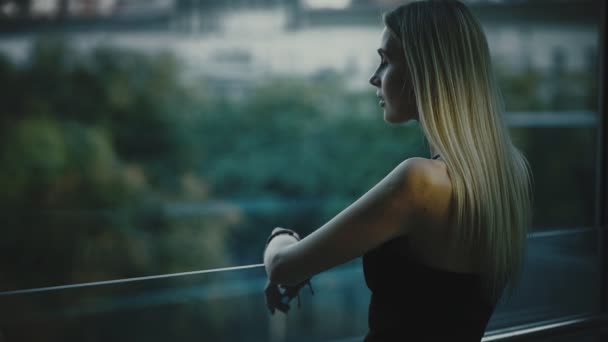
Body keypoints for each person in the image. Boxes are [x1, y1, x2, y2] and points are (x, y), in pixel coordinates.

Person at [263, 0, 534, 340]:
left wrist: (281, 238)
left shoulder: (420, 183)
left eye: (386, 61)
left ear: (426, 72)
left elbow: (283, 267)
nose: (374, 78)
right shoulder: (512, 173)